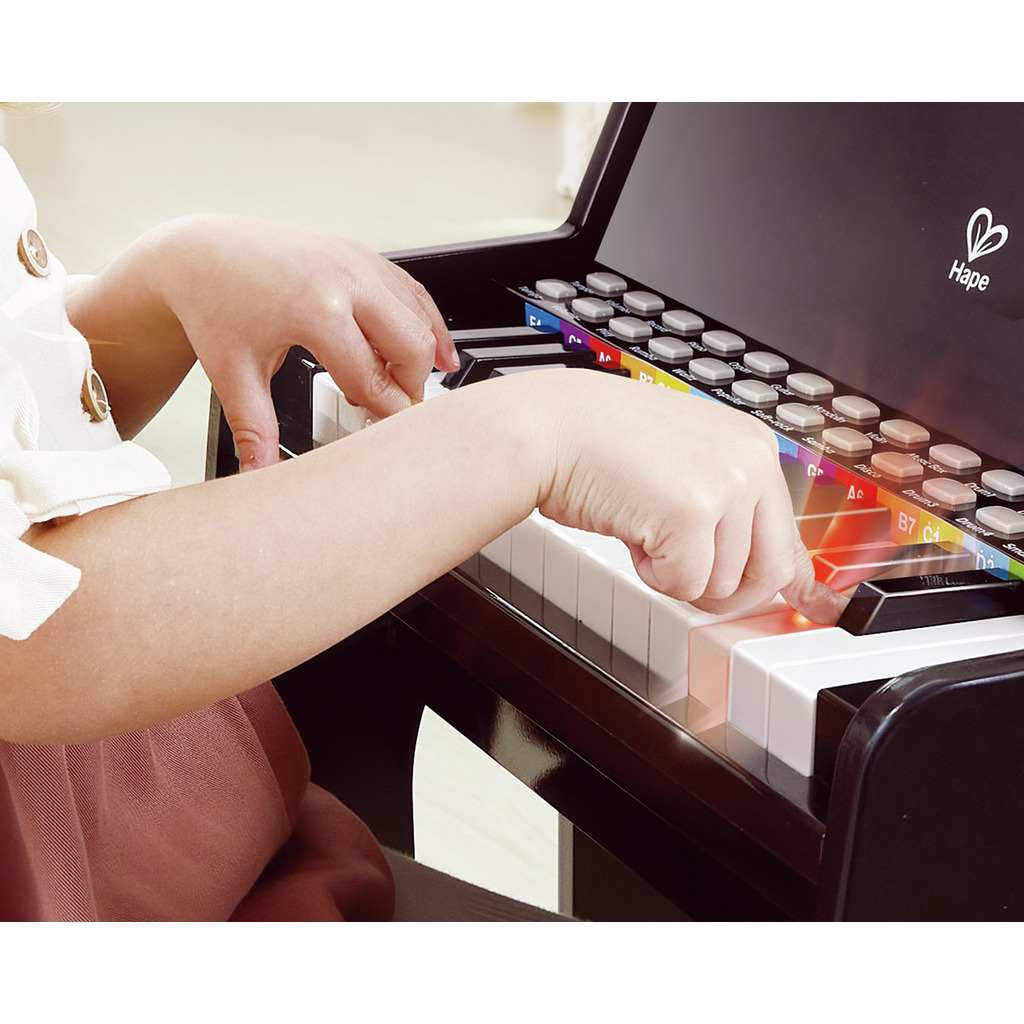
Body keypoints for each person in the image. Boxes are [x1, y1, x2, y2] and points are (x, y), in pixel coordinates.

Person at [0, 136, 846, 921]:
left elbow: (24, 457)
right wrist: (532, 436)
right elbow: (32, 638)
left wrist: (146, 296)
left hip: (173, 830)